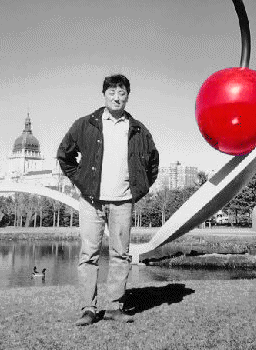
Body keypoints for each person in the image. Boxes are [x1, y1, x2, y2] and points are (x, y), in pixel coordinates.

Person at [57, 74, 159, 326]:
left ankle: (115, 307)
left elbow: (153, 163)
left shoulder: (138, 129)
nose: (117, 97)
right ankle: (88, 309)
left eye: (122, 93)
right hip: (91, 201)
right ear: (104, 95)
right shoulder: (85, 125)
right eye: (112, 92)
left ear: (127, 96)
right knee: (88, 254)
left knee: (120, 255)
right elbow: (65, 156)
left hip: (123, 201)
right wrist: (81, 181)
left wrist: (138, 189)